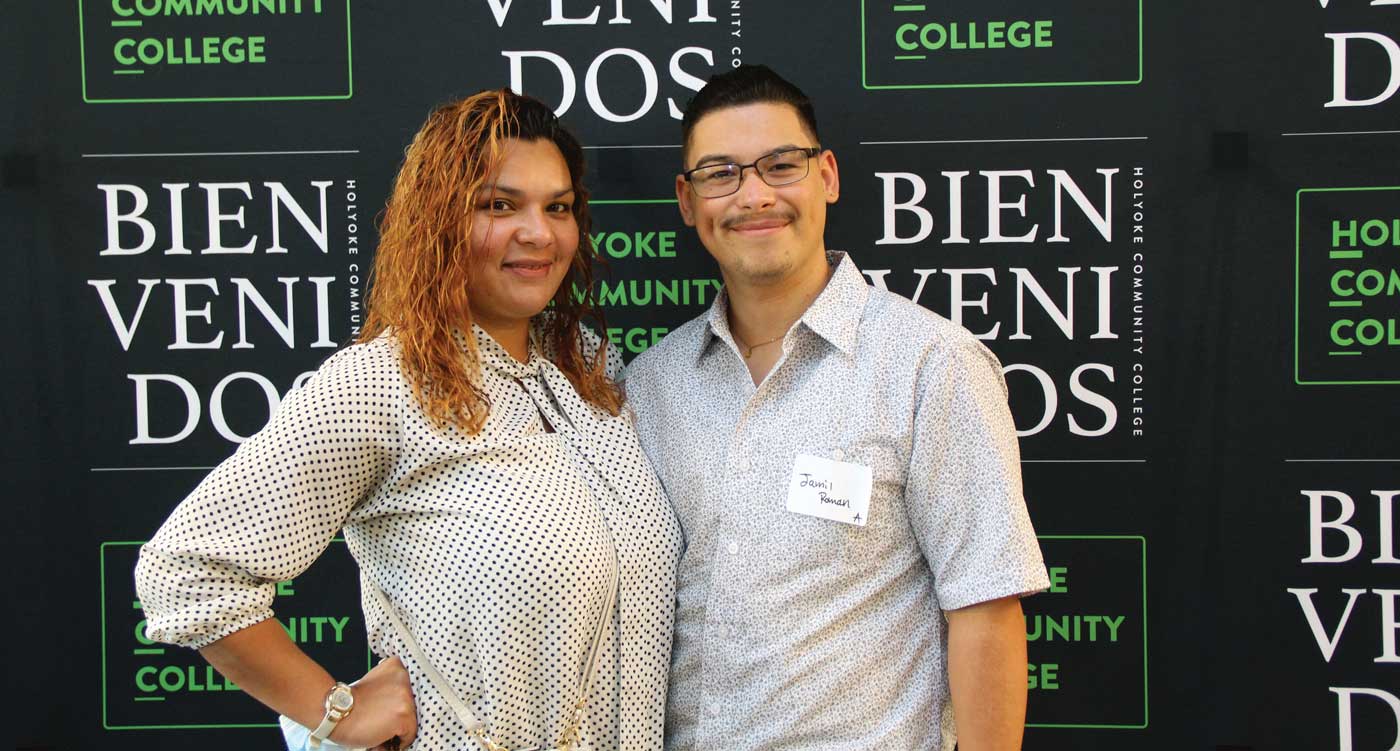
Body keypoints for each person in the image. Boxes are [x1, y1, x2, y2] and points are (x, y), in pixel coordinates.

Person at [135, 90, 682, 751]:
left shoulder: (590, 370)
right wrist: (335, 711)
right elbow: (186, 571)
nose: (539, 232)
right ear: (441, 218)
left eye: (557, 206)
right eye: (498, 205)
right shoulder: (385, 381)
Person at [622, 65, 1050, 751]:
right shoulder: (651, 385)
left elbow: (987, 607)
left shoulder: (930, 364)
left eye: (779, 165)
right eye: (721, 173)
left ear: (827, 175)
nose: (753, 194)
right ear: (687, 198)